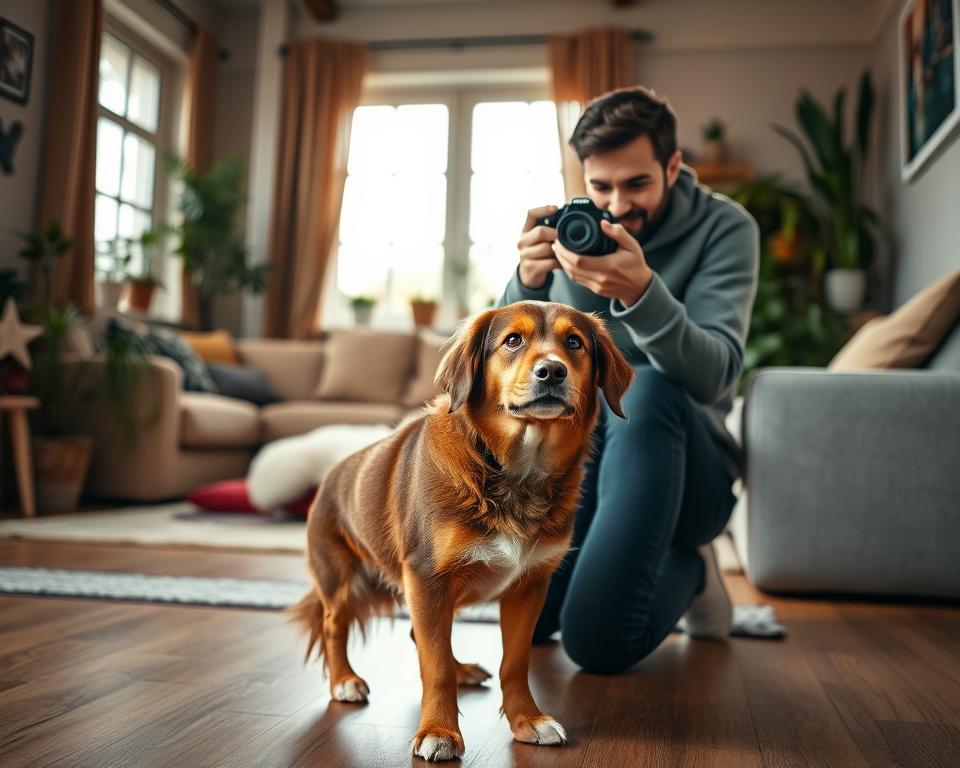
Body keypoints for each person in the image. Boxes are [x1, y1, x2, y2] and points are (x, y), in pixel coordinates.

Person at [496, 85, 759, 674]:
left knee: (597, 642)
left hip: (692, 476)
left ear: (672, 166)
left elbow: (717, 373)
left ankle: (690, 568)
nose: (617, 205)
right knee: (529, 626)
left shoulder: (726, 229)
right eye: (600, 186)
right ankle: (646, 557)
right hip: (588, 460)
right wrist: (525, 284)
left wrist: (642, 295)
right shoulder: (571, 233)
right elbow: (507, 365)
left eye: (636, 184)